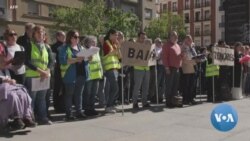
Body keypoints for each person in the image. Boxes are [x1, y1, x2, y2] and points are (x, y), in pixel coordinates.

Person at [0, 42, 36, 130]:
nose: (4, 61)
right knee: (13, 96)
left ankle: (26, 117)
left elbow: (13, 79)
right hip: (3, 90)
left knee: (22, 93)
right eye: (1, 60)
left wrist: (12, 81)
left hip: (9, 88)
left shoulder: (7, 70)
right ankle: (17, 118)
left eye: (4, 59)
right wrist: (5, 80)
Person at [24, 25, 52, 125]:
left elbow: (51, 61)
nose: (41, 34)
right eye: (38, 33)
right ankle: (30, 119)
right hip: (33, 76)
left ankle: (42, 117)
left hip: (44, 76)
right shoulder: (29, 45)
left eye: (42, 33)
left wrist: (47, 71)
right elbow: (26, 61)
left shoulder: (47, 47)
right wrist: (40, 71)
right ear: (34, 34)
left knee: (42, 98)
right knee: (32, 98)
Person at [58, 30, 88, 121]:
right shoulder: (64, 48)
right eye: (75, 37)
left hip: (81, 74)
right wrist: (76, 59)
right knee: (69, 95)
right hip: (70, 75)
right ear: (70, 38)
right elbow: (62, 60)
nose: (77, 39)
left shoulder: (81, 48)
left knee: (79, 94)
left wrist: (88, 58)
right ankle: (69, 114)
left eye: (78, 37)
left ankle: (79, 112)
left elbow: (85, 60)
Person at [82, 36, 103, 116]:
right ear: (87, 43)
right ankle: (87, 109)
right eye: (92, 41)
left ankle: (92, 108)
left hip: (97, 75)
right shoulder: (85, 51)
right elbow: (85, 61)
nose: (94, 43)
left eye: (95, 41)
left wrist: (101, 73)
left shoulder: (96, 51)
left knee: (93, 94)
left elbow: (99, 62)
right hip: (89, 76)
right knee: (88, 93)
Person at [162, 31, 183, 108]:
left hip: (177, 68)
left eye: (176, 35)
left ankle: (174, 101)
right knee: (169, 86)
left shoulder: (177, 45)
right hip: (170, 67)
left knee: (175, 86)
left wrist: (181, 56)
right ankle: (168, 102)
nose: (175, 37)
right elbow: (164, 57)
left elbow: (179, 57)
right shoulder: (166, 45)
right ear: (170, 37)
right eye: (173, 35)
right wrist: (167, 68)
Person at [102, 29, 121, 113]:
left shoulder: (114, 44)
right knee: (115, 88)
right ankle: (108, 106)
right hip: (109, 68)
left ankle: (111, 105)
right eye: (115, 35)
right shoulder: (106, 43)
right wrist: (117, 48)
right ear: (111, 35)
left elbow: (120, 57)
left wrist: (118, 47)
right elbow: (109, 54)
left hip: (115, 68)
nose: (117, 37)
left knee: (114, 88)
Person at [132, 31, 151, 109]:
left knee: (146, 86)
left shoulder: (147, 46)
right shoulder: (135, 46)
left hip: (147, 68)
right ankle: (135, 102)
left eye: (144, 37)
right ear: (138, 37)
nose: (143, 39)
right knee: (137, 86)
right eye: (142, 37)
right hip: (138, 68)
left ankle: (144, 102)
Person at [51, 31, 66, 113]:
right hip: (58, 70)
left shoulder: (66, 46)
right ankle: (56, 106)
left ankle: (63, 105)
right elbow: (53, 59)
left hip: (66, 70)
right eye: (62, 36)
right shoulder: (53, 47)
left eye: (65, 36)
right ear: (57, 37)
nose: (64, 37)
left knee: (64, 89)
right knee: (57, 89)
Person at [181, 35, 198, 105]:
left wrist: (198, 57)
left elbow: (195, 54)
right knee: (186, 84)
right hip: (186, 66)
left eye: (191, 40)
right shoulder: (183, 47)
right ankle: (186, 99)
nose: (190, 41)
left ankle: (191, 98)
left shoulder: (192, 47)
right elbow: (183, 56)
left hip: (193, 65)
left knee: (192, 84)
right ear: (185, 40)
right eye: (189, 40)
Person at [150, 38, 165, 103]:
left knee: (162, 83)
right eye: (158, 41)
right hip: (158, 66)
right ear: (155, 42)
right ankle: (154, 97)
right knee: (157, 82)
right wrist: (159, 57)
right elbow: (153, 58)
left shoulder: (163, 48)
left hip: (164, 66)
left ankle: (160, 96)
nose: (160, 43)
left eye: (160, 41)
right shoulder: (153, 48)